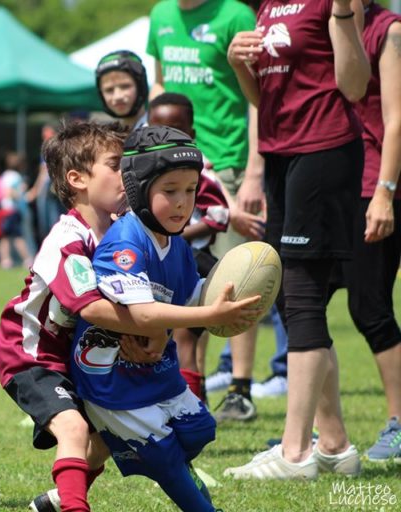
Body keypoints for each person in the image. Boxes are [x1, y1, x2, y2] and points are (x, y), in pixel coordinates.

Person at [69, 125, 260, 512]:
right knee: (166, 458)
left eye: (190, 191)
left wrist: (239, 288)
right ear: (139, 190)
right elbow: (141, 313)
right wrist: (210, 313)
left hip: (156, 370)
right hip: (111, 378)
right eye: (169, 191)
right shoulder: (125, 243)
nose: (182, 203)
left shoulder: (177, 245)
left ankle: (71, 488)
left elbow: (189, 292)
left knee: (200, 430)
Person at [224, 0, 370, 479]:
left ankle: (294, 453)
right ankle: (333, 443)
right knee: (291, 299)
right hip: (280, 153)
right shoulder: (266, 6)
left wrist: (344, 17)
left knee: (304, 296)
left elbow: (354, 86)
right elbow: (261, 99)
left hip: (324, 151)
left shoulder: (335, 3)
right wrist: (238, 64)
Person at [0, 120, 161, 512]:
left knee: (108, 433)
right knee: (72, 427)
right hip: (32, 354)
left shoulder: (125, 233)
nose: (127, 174)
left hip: (81, 353)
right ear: (77, 179)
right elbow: (88, 306)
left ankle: (59, 499)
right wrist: (153, 324)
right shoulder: (66, 240)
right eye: (115, 165)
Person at [147, 0, 269, 422]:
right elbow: (158, 88)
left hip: (230, 164)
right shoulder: (161, 16)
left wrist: (254, 170)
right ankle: (183, 392)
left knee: (240, 276)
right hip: (170, 168)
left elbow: (259, 97)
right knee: (181, 287)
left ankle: (240, 387)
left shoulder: (235, 14)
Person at [336, 0, 400, 462]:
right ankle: (322, 434)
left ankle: (399, 421)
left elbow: (397, 119)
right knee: (302, 303)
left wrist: (384, 192)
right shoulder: (323, 25)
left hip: (373, 184)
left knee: (369, 306)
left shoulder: (389, 30)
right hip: (330, 183)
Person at [148, 92, 230, 403]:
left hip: (191, 262)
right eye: (158, 130)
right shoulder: (143, 169)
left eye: (176, 129)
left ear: (192, 134)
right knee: (162, 336)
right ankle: (177, 402)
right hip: (157, 263)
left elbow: (220, 215)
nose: (167, 137)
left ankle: (190, 409)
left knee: (185, 337)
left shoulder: (200, 169)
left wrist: (179, 234)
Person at [94, 50, 149, 129]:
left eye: (125, 86)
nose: (118, 96)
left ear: (141, 87)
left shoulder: (160, 132)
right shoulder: (109, 137)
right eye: (109, 90)